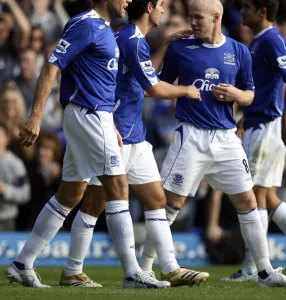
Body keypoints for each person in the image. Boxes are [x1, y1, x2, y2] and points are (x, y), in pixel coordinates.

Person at [6, 0, 172, 289]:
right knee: (117, 187)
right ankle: (132, 272)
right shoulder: (85, 23)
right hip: (88, 113)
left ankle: (23, 263)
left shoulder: (107, 28)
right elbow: (51, 67)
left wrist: (111, 125)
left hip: (98, 117)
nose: (127, 1)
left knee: (70, 194)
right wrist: (35, 115)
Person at [139, 0, 286, 287]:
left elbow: (250, 94)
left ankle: (264, 272)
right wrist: (182, 88)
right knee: (170, 205)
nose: (193, 22)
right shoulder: (181, 48)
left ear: (216, 17)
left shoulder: (238, 50)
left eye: (198, 17)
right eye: (190, 17)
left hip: (227, 138)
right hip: (191, 136)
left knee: (249, 201)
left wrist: (237, 95)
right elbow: (156, 87)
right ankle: (145, 267)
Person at [60, 0, 207, 288]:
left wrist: (164, 45)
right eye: (161, 4)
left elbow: (142, 77)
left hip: (134, 133)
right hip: (121, 132)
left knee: (156, 199)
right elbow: (152, 87)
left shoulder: (129, 38)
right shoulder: (129, 38)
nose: (164, 9)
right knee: (94, 203)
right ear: (149, 7)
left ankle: (170, 268)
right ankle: (80, 270)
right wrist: (186, 90)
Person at [222, 0, 286, 282]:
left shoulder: (270, 40)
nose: (241, 12)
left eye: (246, 7)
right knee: (267, 197)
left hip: (269, 127)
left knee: (253, 197)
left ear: (262, 11)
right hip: (258, 124)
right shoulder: (259, 41)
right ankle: (254, 267)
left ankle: (253, 268)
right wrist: (246, 117)